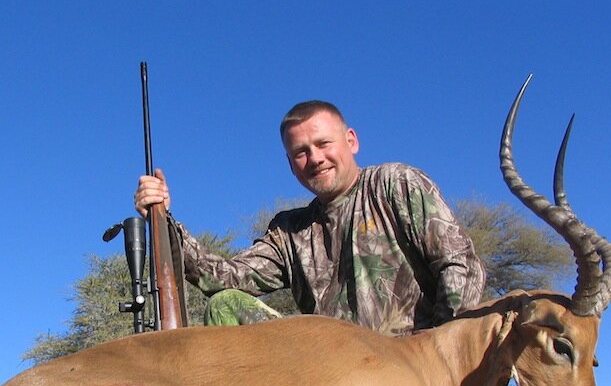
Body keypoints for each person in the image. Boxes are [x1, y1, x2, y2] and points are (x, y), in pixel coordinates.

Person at [134, 100, 485, 335]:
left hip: (409, 372)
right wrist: (163, 219)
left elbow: (460, 265)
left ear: (351, 141)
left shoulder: (396, 184)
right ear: (290, 164)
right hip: (328, 379)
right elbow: (225, 278)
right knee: (225, 305)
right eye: (300, 152)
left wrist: (441, 354)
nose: (314, 158)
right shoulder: (288, 231)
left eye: (323, 144)